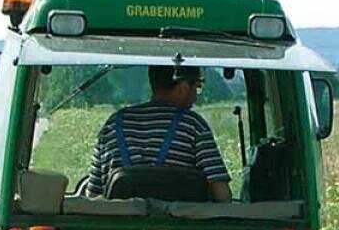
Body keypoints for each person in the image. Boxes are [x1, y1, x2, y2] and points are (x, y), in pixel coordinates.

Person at [85, 65, 232, 201]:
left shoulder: (113, 124)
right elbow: (221, 193)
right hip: (183, 228)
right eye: (197, 88)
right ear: (183, 88)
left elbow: (93, 195)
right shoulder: (193, 124)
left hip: (120, 228)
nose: (196, 96)